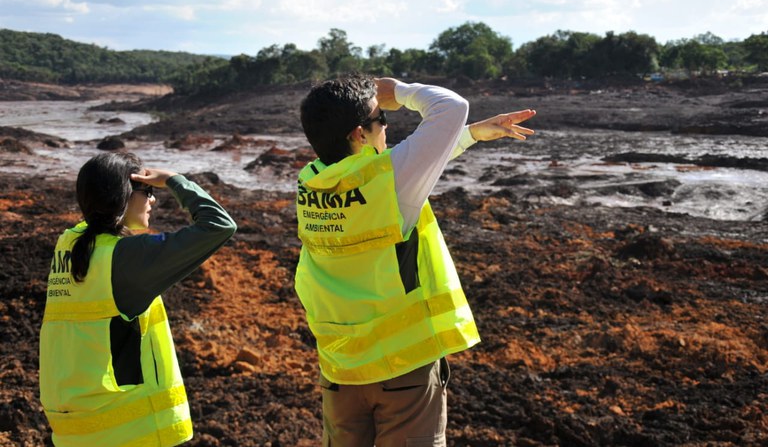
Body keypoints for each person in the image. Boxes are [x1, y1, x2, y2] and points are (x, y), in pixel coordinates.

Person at [294, 74, 536, 446]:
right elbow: (451, 107)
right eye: (381, 120)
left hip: (340, 372)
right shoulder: (387, 182)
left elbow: (402, 172)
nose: (387, 126)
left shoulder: (311, 183)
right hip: (402, 371)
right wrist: (400, 92)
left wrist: (469, 136)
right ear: (359, 134)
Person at [39, 152, 237, 447]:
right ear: (123, 196)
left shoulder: (68, 244)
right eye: (147, 192)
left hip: (74, 427)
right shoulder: (126, 258)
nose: (153, 200)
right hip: (127, 431)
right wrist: (172, 180)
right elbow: (220, 224)